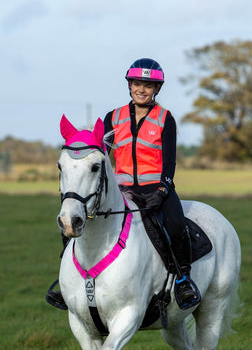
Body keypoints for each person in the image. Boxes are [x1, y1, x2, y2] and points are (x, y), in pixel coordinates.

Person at [46, 57, 200, 310]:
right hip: (122, 189)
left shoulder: (165, 118)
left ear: (157, 90)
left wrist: (162, 191)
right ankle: (66, 284)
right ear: (129, 85)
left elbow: (170, 162)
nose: (141, 89)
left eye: (148, 85)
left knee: (175, 223)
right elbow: (100, 155)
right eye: (137, 83)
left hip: (155, 189)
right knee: (74, 218)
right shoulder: (113, 117)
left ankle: (183, 280)